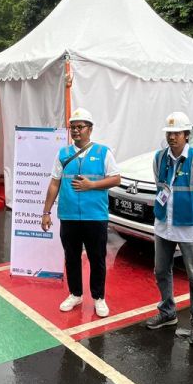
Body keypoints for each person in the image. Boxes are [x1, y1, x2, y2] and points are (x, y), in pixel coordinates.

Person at [41, 108, 122, 317]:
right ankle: (75, 293)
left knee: (97, 258)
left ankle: (98, 298)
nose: (76, 131)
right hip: (68, 216)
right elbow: (54, 183)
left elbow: (115, 179)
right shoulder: (63, 154)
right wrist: (46, 212)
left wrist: (92, 185)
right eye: (73, 127)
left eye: (80, 127)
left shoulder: (103, 152)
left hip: (95, 216)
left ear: (90, 129)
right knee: (71, 257)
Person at [146, 111, 193, 345]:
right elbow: (160, 187)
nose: (172, 138)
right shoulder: (159, 158)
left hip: (189, 228)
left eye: (177, 133)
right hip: (163, 226)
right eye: (169, 133)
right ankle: (167, 312)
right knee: (160, 271)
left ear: (187, 135)